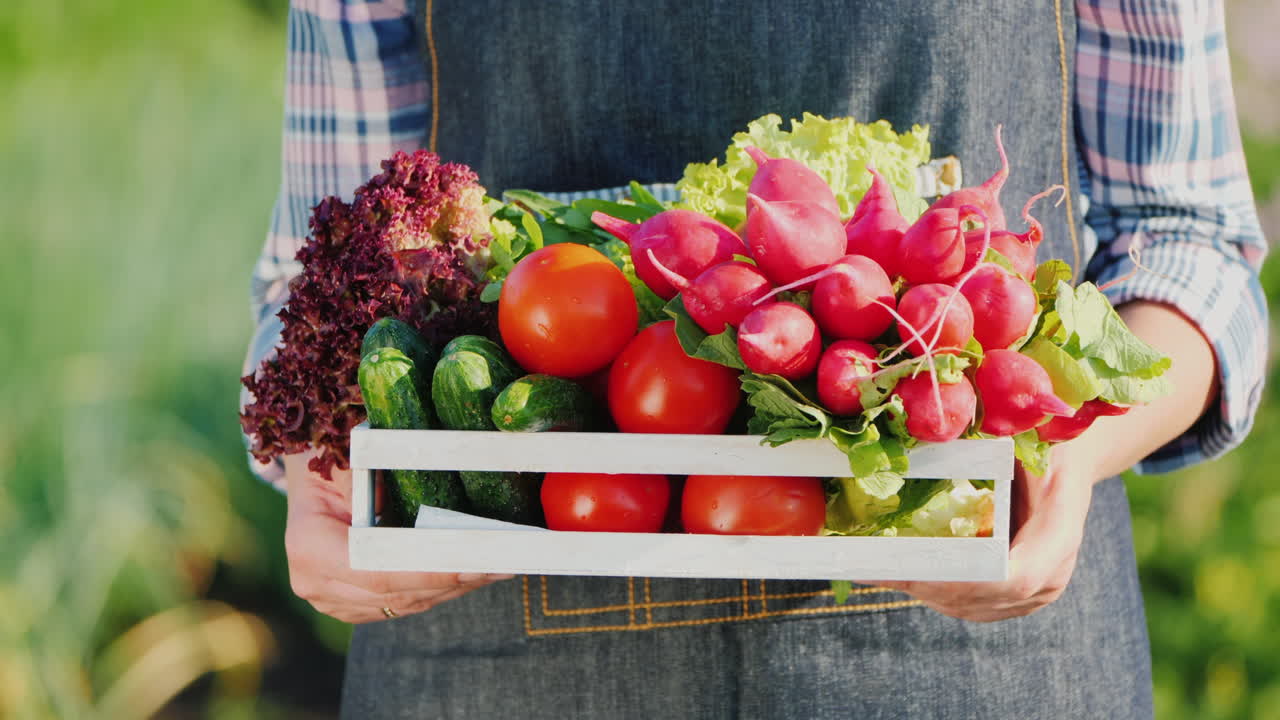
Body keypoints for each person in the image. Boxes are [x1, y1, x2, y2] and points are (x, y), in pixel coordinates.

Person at [242, 0, 1268, 717]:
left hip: (973, 655)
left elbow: (1187, 242)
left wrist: (1074, 456)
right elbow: (323, 275)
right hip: (492, 651)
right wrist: (316, 469)